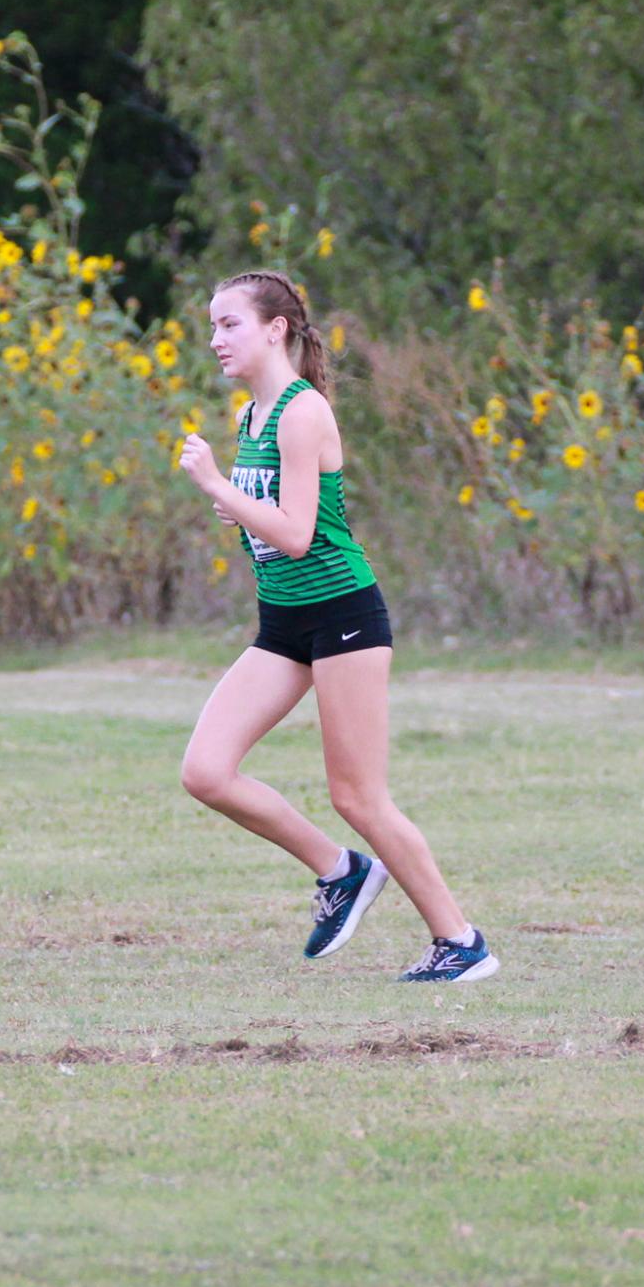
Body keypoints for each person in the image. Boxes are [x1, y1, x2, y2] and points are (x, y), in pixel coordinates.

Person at [174, 269, 497, 981]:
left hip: (343, 616)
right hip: (283, 622)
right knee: (204, 770)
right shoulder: (250, 418)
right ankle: (340, 870)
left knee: (357, 794)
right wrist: (235, 502)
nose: (214, 339)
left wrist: (218, 488)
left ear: (274, 328)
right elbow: (275, 519)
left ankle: (461, 941)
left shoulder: (301, 410)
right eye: (212, 325)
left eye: (228, 324)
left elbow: (294, 534)